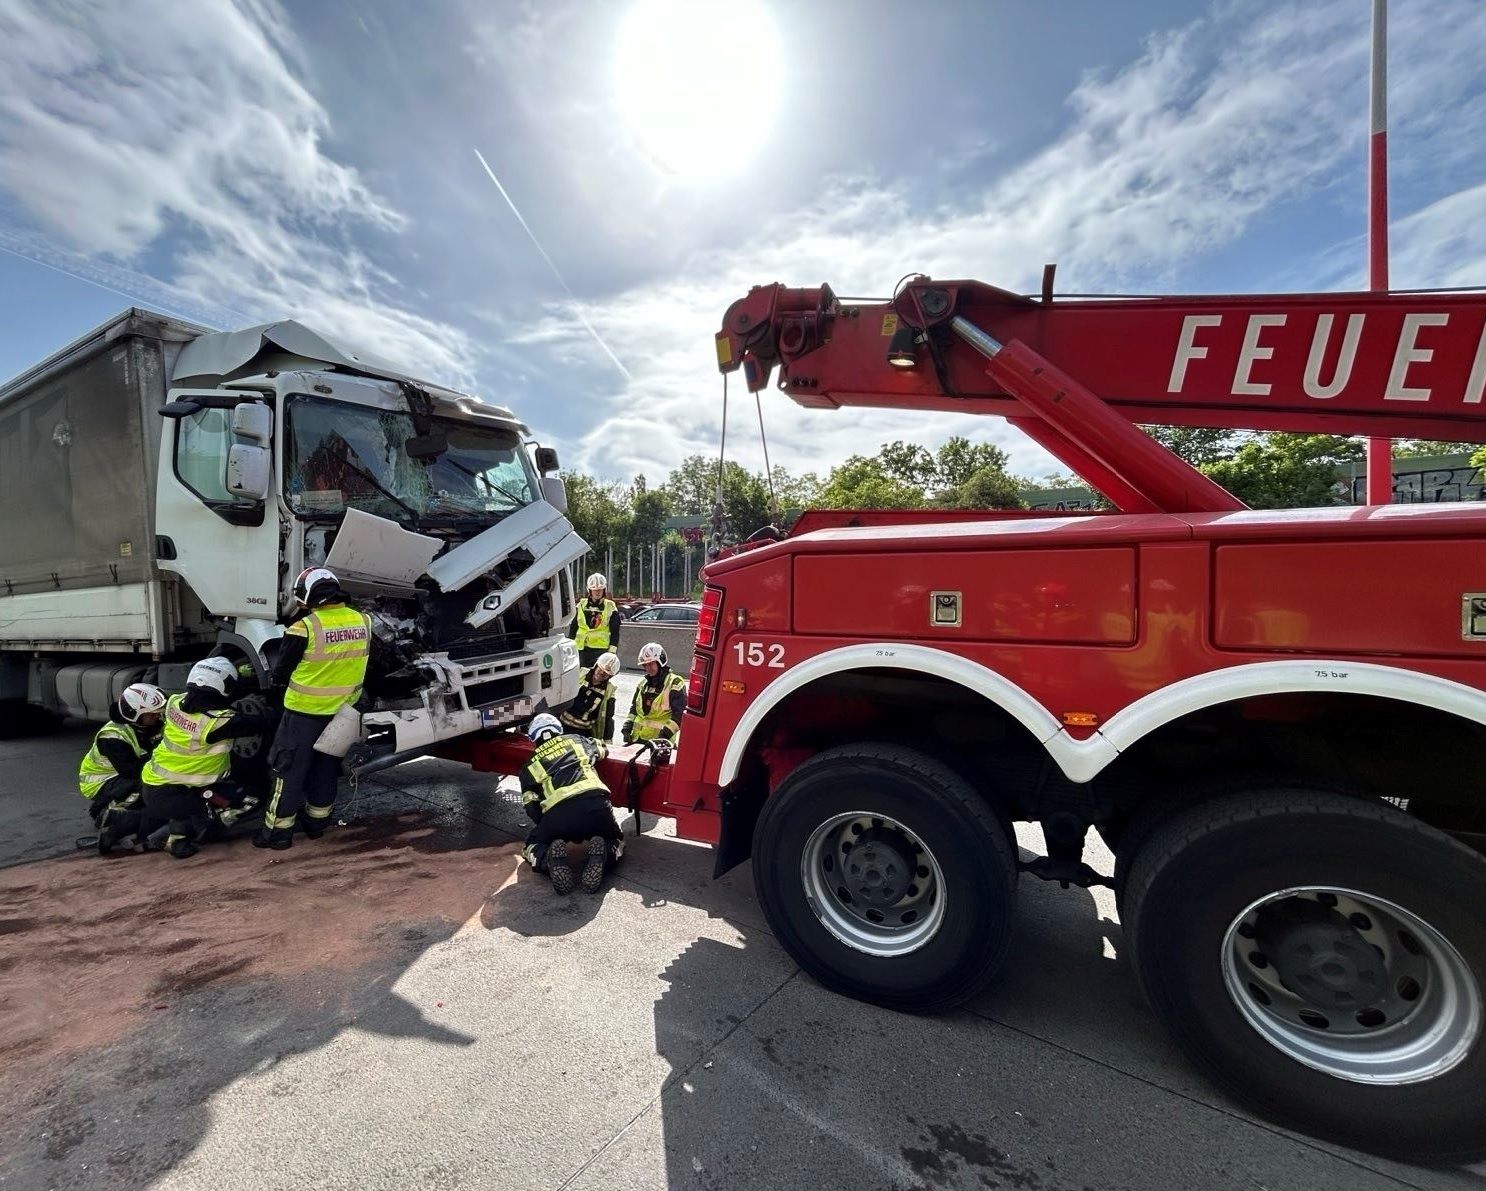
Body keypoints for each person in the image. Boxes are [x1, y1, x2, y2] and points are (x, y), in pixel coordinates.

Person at [255, 566, 371, 851]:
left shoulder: (303, 627)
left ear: (307, 596)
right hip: (344, 713)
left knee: (288, 770)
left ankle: (276, 834)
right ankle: (317, 825)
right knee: (326, 768)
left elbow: (281, 673)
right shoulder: (363, 620)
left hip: (304, 714)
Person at [140, 658, 270, 858]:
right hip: (174, 795)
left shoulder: (175, 703)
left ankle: (174, 827)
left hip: (158, 785)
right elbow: (262, 722)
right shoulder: (215, 724)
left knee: (203, 804)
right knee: (252, 798)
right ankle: (178, 836)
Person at [518, 713, 623, 895]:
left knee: (531, 846)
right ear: (559, 730)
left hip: (559, 814)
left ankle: (548, 859)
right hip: (596, 805)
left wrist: (546, 827)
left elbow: (531, 805)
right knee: (615, 839)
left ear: (533, 738)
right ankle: (602, 854)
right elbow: (603, 749)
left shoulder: (530, 765)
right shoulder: (576, 740)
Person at [79, 683, 167, 854]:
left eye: (158, 713)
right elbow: (132, 771)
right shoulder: (112, 736)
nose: (158, 717)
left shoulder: (147, 725)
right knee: (145, 785)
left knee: (154, 783)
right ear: (134, 714)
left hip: (125, 773)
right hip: (102, 782)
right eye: (152, 714)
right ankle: (105, 812)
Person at [622, 642, 687, 746]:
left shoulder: (674, 683)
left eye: (651, 664)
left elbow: (679, 715)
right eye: (645, 665)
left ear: (660, 662)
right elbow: (634, 709)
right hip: (636, 740)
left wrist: (663, 736)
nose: (647, 668)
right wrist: (627, 727)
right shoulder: (642, 685)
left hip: (660, 744)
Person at [558, 650, 620, 741]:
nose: (602, 674)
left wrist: (608, 740)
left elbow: (608, 718)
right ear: (596, 665)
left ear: (610, 676)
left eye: (606, 674)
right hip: (562, 725)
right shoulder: (580, 673)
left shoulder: (609, 691)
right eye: (601, 669)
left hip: (582, 733)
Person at [569, 573, 622, 669]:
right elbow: (573, 627)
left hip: (600, 650)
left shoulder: (610, 606)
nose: (597, 592)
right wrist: (569, 646)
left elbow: (615, 631)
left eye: (600, 590)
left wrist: (612, 652)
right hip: (580, 649)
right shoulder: (581, 605)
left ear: (604, 590)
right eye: (595, 590)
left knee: (596, 677)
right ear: (589, 590)